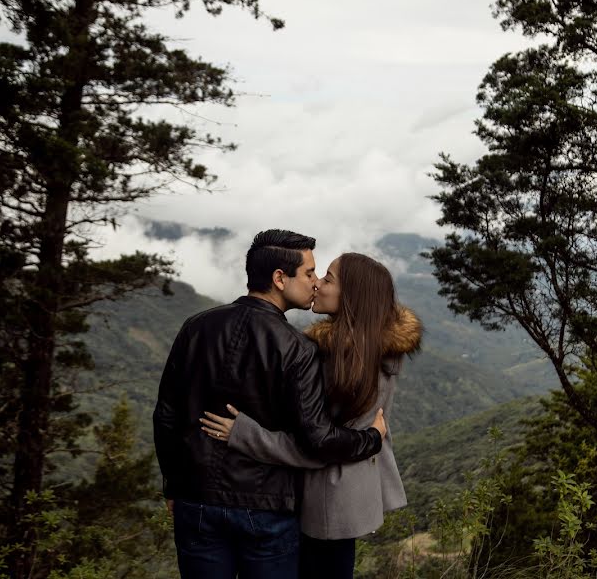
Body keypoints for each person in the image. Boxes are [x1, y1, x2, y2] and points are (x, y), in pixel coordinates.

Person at [153, 230, 388, 579]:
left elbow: (166, 416)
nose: (314, 283)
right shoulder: (297, 348)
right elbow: (318, 439)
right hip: (266, 508)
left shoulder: (196, 327)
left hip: (196, 498)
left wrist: (174, 485)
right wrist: (372, 439)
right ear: (280, 278)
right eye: (309, 273)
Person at [200, 252, 422, 579]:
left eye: (328, 279)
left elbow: (322, 448)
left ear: (352, 297)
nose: (317, 283)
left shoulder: (348, 362)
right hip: (340, 500)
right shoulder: (370, 350)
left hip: (327, 503)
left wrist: (243, 433)